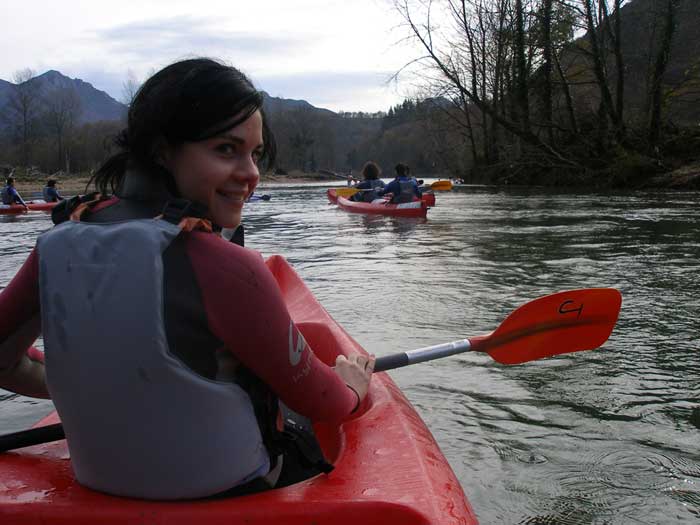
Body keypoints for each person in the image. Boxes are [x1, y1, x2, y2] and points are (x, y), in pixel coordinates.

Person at [0, 58, 375, 500]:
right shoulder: (229, 266)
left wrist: (95, 383)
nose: (251, 173)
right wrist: (354, 385)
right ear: (162, 150)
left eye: (254, 154)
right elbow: (325, 403)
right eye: (225, 150)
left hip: (101, 489)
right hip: (234, 492)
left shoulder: (55, 246)